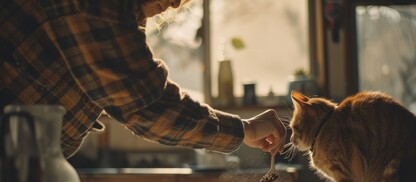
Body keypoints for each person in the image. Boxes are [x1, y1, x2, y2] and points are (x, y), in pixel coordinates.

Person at [0, 0, 286, 159]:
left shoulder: (124, 17)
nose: (175, 2)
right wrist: (244, 129)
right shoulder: (102, 7)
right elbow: (147, 106)